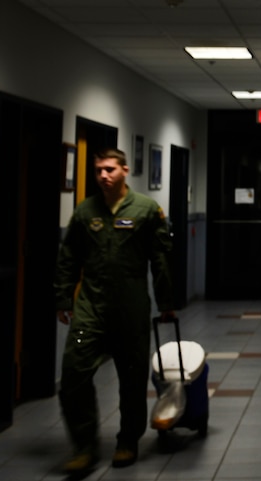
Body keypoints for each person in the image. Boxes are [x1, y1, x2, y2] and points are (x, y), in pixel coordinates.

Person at [54, 147, 174, 474]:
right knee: (74, 373)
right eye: (98, 171)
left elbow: (160, 260)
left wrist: (167, 303)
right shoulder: (85, 211)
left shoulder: (147, 210)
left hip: (130, 307)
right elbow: (68, 259)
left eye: (109, 169)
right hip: (90, 307)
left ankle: (127, 441)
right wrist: (63, 298)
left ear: (124, 171)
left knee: (132, 379)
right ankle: (84, 445)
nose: (103, 176)